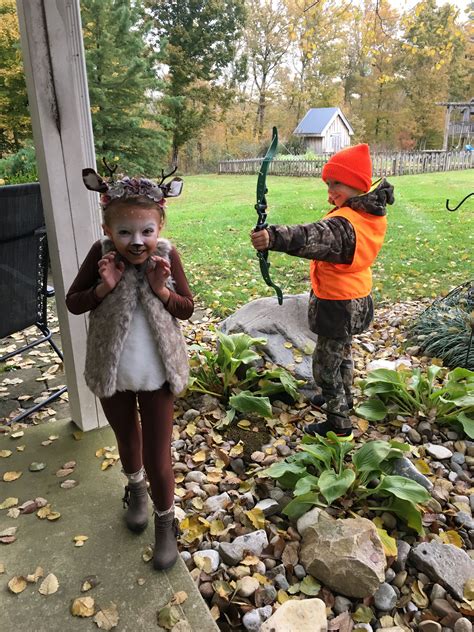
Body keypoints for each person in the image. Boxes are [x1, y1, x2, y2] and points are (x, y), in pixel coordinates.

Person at [66, 169, 193, 570]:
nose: (136, 242)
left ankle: (164, 521)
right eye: (125, 233)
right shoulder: (101, 254)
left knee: (159, 455)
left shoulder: (166, 255)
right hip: (112, 370)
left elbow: (187, 308)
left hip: (158, 373)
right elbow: (74, 301)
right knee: (127, 438)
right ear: (108, 227)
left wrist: (161, 289)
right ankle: (136, 491)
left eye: (146, 231)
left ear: (160, 225)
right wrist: (104, 286)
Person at [250, 143, 394, 439]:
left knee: (325, 367)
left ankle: (338, 424)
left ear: (356, 184)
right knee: (343, 354)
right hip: (355, 298)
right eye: (328, 184)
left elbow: (311, 236)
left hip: (340, 305)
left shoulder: (346, 226)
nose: (330, 191)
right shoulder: (364, 213)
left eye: (335, 183)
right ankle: (344, 399)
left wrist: (272, 237)